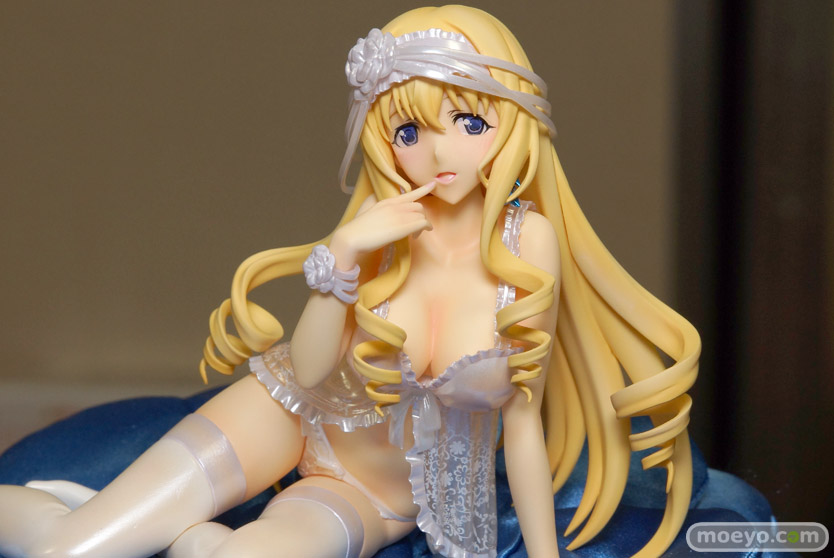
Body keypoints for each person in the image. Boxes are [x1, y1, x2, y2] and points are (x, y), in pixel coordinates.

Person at [0, 5, 699, 558]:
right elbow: (308, 372)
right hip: (283, 415)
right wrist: (341, 256)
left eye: (468, 121)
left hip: (373, 494)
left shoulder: (530, 241)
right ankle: (80, 519)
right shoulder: (379, 224)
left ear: (510, 120)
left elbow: (520, 418)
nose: (438, 152)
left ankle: (170, 531)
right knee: (65, 550)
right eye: (408, 133)